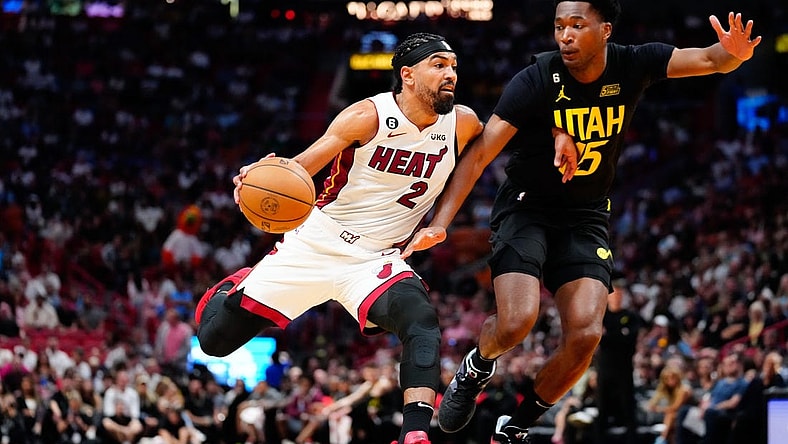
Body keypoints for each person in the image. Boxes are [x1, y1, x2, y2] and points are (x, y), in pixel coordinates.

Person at [400, 2, 762, 442]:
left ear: (605, 30)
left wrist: (734, 55)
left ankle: (516, 427)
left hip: (585, 215)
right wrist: (441, 221)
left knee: (587, 334)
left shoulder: (633, 63)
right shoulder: (536, 78)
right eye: (559, 27)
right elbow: (478, 155)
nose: (565, 36)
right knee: (516, 322)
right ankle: (477, 366)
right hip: (527, 207)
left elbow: (708, 59)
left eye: (576, 25)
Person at [194, 32, 484, 444]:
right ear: (407, 75)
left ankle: (415, 434)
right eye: (438, 65)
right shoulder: (367, 116)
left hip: (376, 258)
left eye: (453, 66)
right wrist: (259, 178)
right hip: (317, 242)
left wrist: (441, 221)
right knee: (214, 342)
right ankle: (232, 287)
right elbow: (301, 167)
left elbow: (482, 157)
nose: (450, 74)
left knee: (420, 320)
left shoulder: (463, 123)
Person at [593, 274, 644, 443]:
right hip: (604, 369)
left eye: (620, 293)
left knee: (628, 409)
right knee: (602, 410)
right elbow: (598, 337)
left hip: (624, 369)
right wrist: (618, 335)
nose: (617, 297)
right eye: (614, 293)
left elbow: (629, 340)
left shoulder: (630, 316)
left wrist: (609, 335)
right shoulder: (601, 316)